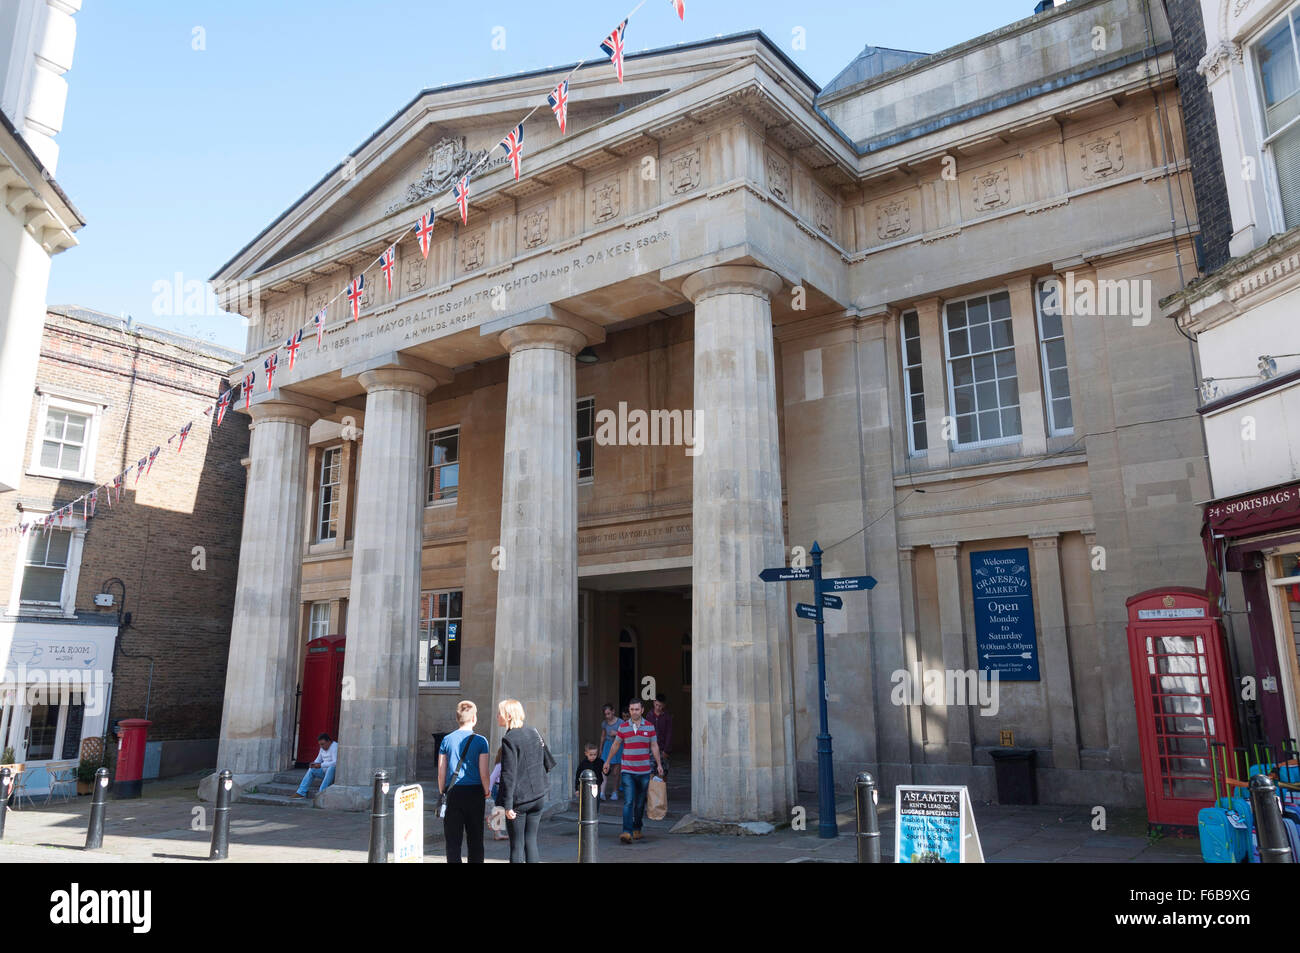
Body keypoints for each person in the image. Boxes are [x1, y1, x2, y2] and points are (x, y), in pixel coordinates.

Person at [602, 699, 664, 844]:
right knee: (628, 801)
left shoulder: (649, 727)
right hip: (628, 770)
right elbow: (616, 744)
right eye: (631, 709)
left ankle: (637, 828)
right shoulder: (623, 727)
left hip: (644, 771)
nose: (634, 712)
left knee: (640, 804)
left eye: (636, 709)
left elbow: (654, 746)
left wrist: (659, 764)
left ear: (642, 710)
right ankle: (626, 832)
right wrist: (607, 761)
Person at [497, 698, 549, 863]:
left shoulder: (509, 739)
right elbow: (548, 762)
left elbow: (508, 774)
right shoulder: (533, 731)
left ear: (508, 716)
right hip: (538, 796)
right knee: (531, 841)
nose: (498, 715)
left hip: (520, 800)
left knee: (517, 845)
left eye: (500, 713)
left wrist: (507, 804)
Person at [438, 700, 491, 863]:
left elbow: (441, 771)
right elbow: (484, 772)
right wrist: (487, 791)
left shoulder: (447, 739)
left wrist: (442, 791)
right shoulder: (481, 741)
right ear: (474, 718)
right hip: (475, 792)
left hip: (453, 791)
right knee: (475, 839)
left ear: (457, 718)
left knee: (453, 841)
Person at [291, 733, 337, 798]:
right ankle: (301, 792)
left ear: (329, 742)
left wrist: (320, 765)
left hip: (333, 774)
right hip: (324, 772)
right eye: (320, 744)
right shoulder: (322, 748)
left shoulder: (335, 746)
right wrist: (314, 764)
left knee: (331, 768)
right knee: (312, 769)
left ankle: (321, 793)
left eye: (323, 744)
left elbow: (335, 762)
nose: (321, 746)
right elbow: (318, 759)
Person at [598, 704, 622, 800]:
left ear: (613, 711)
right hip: (607, 746)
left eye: (609, 713)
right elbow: (603, 736)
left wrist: (616, 733)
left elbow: (626, 734)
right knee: (605, 769)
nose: (607, 716)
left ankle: (614, 791)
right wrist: (600, 748)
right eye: (605, 714)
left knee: (616, 771)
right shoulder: (604, 723)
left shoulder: (620, 722)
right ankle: (602, 793)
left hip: (618, 746)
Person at [646, 694, 673, 776]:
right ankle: (651, 789)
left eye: (660, 706)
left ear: (664, 705)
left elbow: (669, 734)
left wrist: (666, 749)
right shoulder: (649, 715)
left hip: (662, 749)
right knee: (651, 771)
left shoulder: (667, 717)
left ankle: (662, 789)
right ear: (654, 702)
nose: (658, 707)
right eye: (656, 705)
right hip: (651, 749)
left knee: (663, 773)